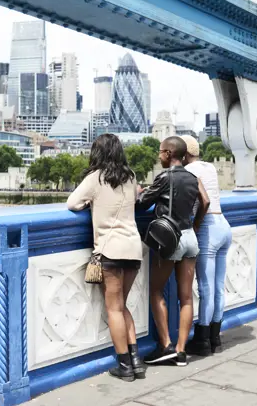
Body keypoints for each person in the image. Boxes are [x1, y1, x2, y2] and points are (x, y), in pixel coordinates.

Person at [67, 134, 146, 382]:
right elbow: (134, 199)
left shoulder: (95, 178)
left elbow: (72, 203)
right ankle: (136, 361)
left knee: (114, 308)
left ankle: (124, 365)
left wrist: (91, 204)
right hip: (133, 248)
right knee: (123, 305)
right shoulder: (130, 176)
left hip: (110, 250)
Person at [137, 136, 210, 367]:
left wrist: (140, 191)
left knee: (155, 290)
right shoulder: (193, 177)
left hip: (171, 239)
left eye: (160, 152)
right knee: (186, 297)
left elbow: (141, 202)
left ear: (169, 153)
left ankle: (166, 344)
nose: (159, 156)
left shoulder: (164, 177)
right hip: (190, 237)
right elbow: (205, 202)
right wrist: (196, 224)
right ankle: (181, 351)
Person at [182, 135, 232, 355]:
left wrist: (196, 225)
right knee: (218, 286)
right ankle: (215, 338)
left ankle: (202, 340)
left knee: (206, 288)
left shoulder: (190, 171)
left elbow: (203, 201)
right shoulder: (210, 167)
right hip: (224, 225)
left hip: (209, 228)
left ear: (183, 155)